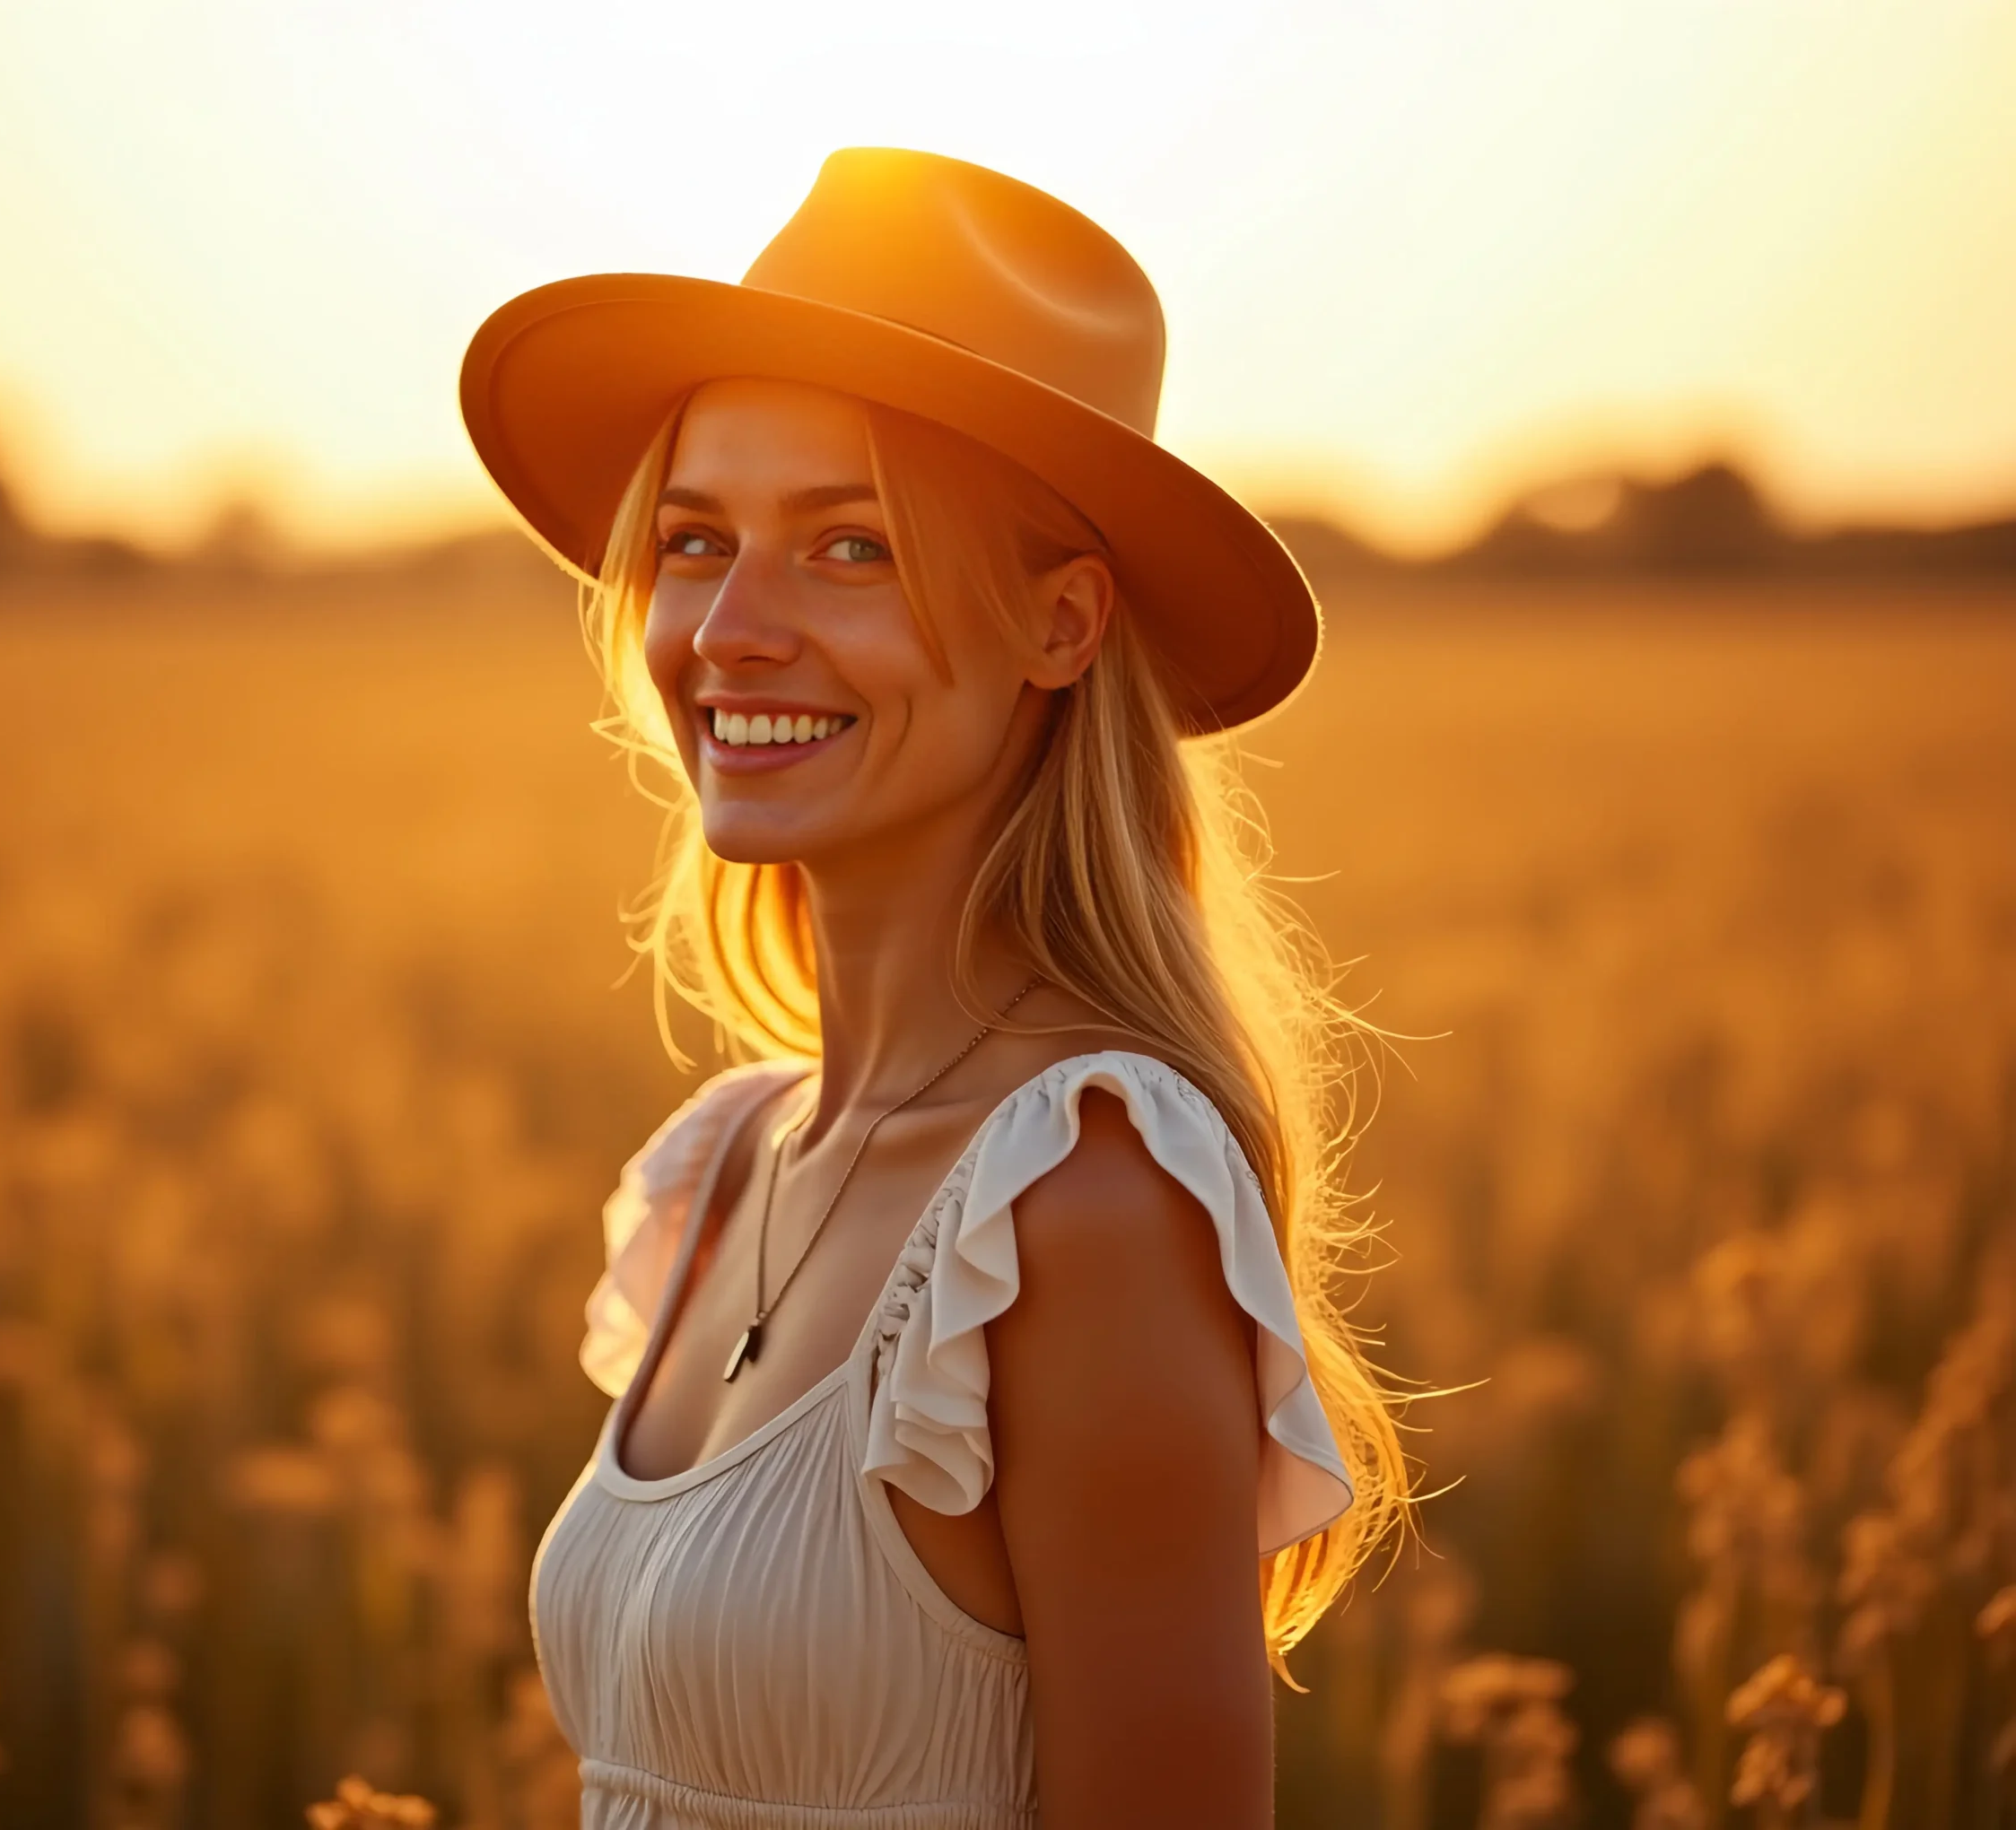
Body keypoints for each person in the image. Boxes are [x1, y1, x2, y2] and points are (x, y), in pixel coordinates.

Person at [459, 147, 1412, 1829]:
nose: (732, 628)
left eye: (852, 549)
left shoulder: (1085, 1202)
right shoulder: (732, 1160)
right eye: (695, 538)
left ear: (1059, 627)